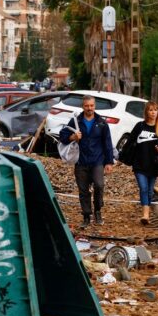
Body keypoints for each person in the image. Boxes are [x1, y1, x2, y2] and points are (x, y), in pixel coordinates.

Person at [59, 95, 114, 228]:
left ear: (95, 106)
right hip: (81, 161)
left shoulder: (101, 123)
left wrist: (109, 162)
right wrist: (73, 136)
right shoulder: (76, 121)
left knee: (99, 185)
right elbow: (62, 135)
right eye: (87, 106)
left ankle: (98, 210)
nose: (89, 108)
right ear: (82, 106)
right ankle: (86, 216)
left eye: (92, 106)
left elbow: (107, 143)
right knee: (83, 190)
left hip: (97, 161)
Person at [124, 102, 158, 225]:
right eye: (150, 110)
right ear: (146, 112)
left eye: (155, 110)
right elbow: (129, 142)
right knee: (143, 188)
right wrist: (124, 157)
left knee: (150, 191)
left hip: (154, 164)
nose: (153, 112)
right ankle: (146, 215)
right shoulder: (140, 126)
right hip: (139, 163)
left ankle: (146, 209)